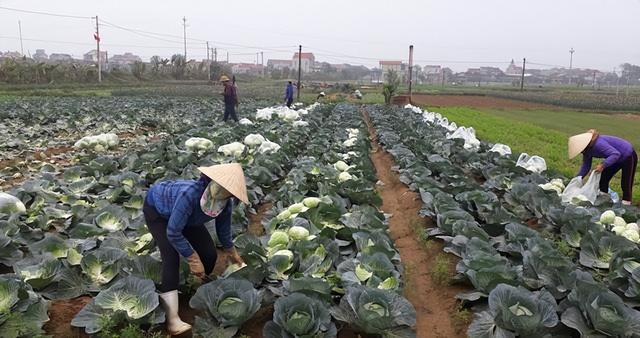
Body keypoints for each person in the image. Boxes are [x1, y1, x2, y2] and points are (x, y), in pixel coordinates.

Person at [143, 163, 248, 335]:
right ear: (212, 181)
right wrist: (192, 259)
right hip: (159, 212)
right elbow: (173, 231)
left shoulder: (225, 204)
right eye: (220, 186)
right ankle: (172, 319)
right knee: (171, 258)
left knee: (209, 253)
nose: (222, 192)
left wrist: (233, 254)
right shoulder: (190, 194)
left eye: (228, 191)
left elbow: (223, 232)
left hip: (189, 218)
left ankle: (197, 283)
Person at [569, 129, 637, 205]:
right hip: (615, 158)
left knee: (626, 183)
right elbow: (586, 166)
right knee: (603, 179)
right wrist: (577, 179)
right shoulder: (586, 151)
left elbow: (615, 154)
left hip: (627, 154)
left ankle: (626, 204)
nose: (581, 152)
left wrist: (603, 165)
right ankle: (604, 200)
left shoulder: (598, 145)